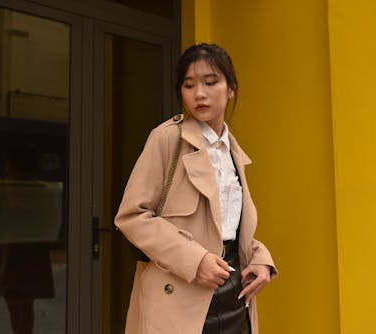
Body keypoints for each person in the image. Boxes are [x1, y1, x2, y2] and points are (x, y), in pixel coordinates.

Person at [115, 43, 277, 334]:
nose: (199, 93)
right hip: (180, 289)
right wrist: (195, 260)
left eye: (211, 82)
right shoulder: (167, 139)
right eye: (189, 85)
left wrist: (262, 261)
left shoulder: (233, 152)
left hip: (235, 293)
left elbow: (229, 226)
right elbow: (132, 216)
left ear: (231, 90)